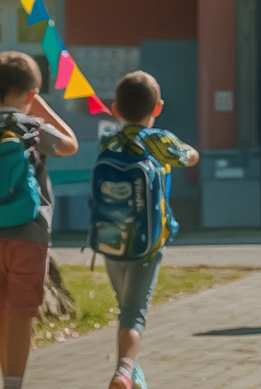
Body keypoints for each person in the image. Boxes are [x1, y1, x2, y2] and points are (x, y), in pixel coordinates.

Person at [0, 52, 78, 389]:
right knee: (22, 313)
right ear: (32, 94)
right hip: (28, 233)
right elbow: (70, 144)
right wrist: (39, 108)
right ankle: (14, 384)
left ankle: (6, 379)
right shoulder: (32, 128)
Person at [100, 71, 198, 389]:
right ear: (157, 108)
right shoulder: (159, 141)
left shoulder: (109, 142)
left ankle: (134, 370)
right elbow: (191, 157)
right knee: (133, 314)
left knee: (125, 307)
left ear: (115, 109)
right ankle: (124, 371)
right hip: (149, 242)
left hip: (111, 238)